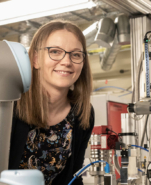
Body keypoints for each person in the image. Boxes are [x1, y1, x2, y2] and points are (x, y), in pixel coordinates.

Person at [8, 20, 94, 185]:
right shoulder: (9, 104)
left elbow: (73, 178)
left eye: (75, 54)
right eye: (55, 51)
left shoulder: (83, 113)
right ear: (35, 59)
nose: (66, 61)